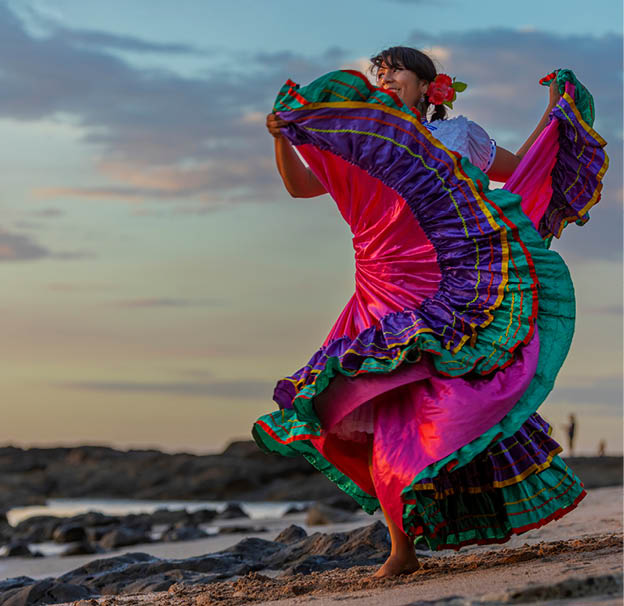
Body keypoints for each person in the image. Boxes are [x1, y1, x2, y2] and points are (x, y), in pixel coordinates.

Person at [254, 46, 608, 577]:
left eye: (397, 70)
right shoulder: (363, 137)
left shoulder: (459, 134)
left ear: (428, 86)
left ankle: (404, 548)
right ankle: (403, 545)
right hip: (380, 284)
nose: (386, 78)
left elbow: (521, 173)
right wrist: (283, 137)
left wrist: (554, 114)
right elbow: (301, 185)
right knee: (376, 403)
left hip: (451, 281)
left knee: (446, 395)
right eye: (379, 72)